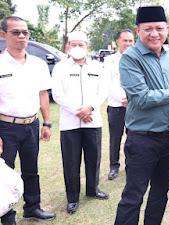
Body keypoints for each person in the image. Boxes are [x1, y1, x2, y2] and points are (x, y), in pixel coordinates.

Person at [114, 6, 169, 225]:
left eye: (159, 28)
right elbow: (142, 98)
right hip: (142, 138)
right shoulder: (130, 58)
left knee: (161, 192)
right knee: (133, 196)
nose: (154, 34)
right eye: (148, 29)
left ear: (167, 29)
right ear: (137, 30)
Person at [0, 16, 56, 225]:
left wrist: (47, 123)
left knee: (31, 170)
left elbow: (43, 94)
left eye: (25, 32)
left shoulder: (38, 64)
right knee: (3, 174)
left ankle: (32, 208)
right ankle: (7, 217)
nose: (22, 36)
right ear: (4, 35)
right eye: (16, 32)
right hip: (5, 126)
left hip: (31, 125)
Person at [51, 31, 109, 214]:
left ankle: (92, 189)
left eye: (81, 45)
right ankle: (73, 198)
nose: (77, 48)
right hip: (70, 123)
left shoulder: (98, 67)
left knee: (94, 158)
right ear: (67, 47)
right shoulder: (60, 68)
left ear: (87, 47)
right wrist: (79, 111)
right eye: (73, 45)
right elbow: (57, 94)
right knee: (71, 161)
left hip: (93, 121)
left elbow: (103, 91)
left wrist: (89, 107)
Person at [104, 29, 135, 180]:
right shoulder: (109, 60)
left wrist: (131, 99)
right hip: (116, 106)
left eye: (131, 41)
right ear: (118, 42)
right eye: (125, 40)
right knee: (115, 138)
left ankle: (131, 164)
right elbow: (107, 83)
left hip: (134, 106)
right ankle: (114, 166)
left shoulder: (138, 58)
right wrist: (123, 98)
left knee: (133, 137)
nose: (128, 43)